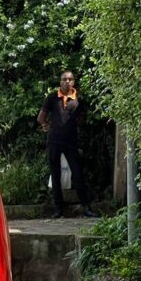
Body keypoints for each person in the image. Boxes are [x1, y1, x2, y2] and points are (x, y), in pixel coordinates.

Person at [37, 70, 95, 218]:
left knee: (78, 174)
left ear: (73, 82)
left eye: (70, 79)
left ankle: (87, 208)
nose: (67, 82)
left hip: (71, 142)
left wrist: (75, 115)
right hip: (54, 141)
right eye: (64, 79)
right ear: (60, 82)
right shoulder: (52, 97)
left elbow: (82, 119)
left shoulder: (79, 99)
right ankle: (58, 210)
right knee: (55, 176)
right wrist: (47, 125)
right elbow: (40, 117)